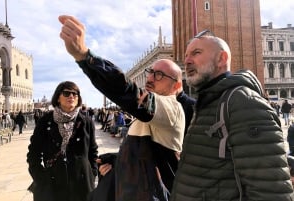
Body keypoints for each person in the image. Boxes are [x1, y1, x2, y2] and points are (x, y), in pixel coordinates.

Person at [59, 15, 185, 201]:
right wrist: (116, 161)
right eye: (150, 73)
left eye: (159, 75)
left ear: (176, 86)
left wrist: (85, 57)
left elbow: (127, 91)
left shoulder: (172, 108)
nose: (150, 79)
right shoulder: (152, 116)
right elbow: (147, 157)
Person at [170, 30, 294, 200]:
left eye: (196, 53)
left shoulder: (244, 103)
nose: (187, 61)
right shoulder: (208, 103)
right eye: (186, 55)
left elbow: (270, 190)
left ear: (222, 58)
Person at [26, 81, 99, 201]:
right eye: (67, 93)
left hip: (82, 184)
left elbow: (93, 151)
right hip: (53, 183)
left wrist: (92, 173)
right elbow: (34, 153)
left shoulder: (86, 122)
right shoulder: (45, 121)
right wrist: (40, 178)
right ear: (58, 98)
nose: (71, 96)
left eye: (75, 94)